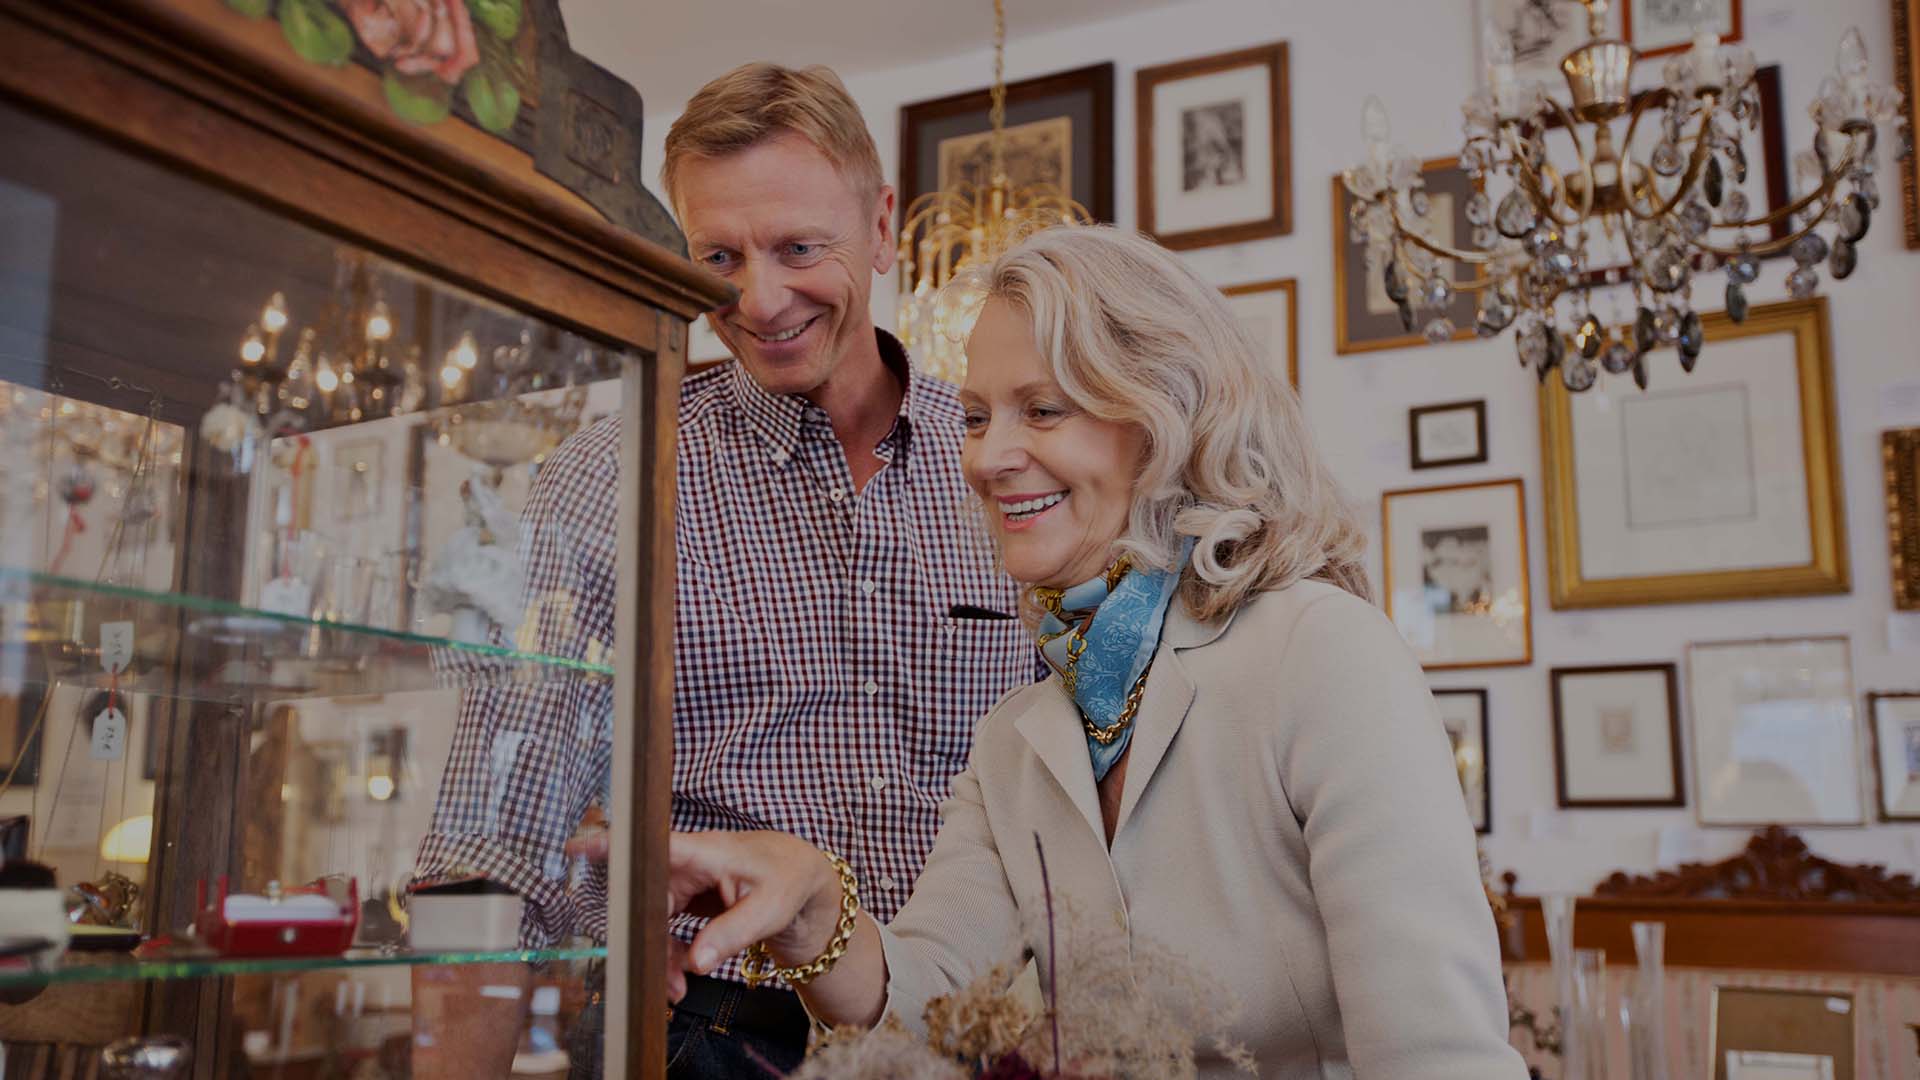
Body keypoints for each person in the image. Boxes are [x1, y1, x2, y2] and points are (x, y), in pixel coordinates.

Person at [664, 226, 1531, 1078]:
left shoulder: (1321, 653)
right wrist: (819, 910)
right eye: (975, 417)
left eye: (1042, 409)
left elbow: (1438, 1057)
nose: (988, 457)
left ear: (1164, 423)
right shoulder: (1017, 735)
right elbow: (927, 1004)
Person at [410, 63, 1045, 1078]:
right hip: (715, 1037)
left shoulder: (1014, 468)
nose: (758, 298)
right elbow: (490, 844)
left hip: (986, 1032)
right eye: (718, 256)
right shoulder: (610, 479)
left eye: (799, 247)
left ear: (882, 228)